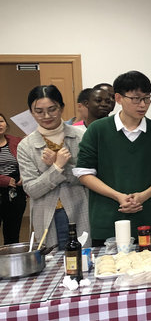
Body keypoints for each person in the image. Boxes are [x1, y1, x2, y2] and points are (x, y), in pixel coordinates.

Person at [75, 71, 151, 243]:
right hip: (106, 220)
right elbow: (84, 173)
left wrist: (143, 196)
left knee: (146, 259)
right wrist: (118, 196)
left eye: (147, 98)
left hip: (144, 219)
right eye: (136, 99)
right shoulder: (97, 130)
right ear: (119, 98)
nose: (142, 105)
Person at [15, 87, 89, 250]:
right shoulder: (26, 146)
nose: (46, 116)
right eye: (39, 111)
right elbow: (32, 189)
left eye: (52, 109)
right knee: (52, 260)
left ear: (61, 108)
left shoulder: (80, 137)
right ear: (31, 112)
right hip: (46, 214)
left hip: (80, 209)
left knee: (83, 257)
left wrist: (61, 166)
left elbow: (88, 178)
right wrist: (56, 167)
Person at [0, 112, 27, 245]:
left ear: (6, 124)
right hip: (1, 188)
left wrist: (24, 175)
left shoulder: (17, 141)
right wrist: (5, 180)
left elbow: (26, 161)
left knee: (12, 233)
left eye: (1, 121)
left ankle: (11, 257)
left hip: (16, 191)